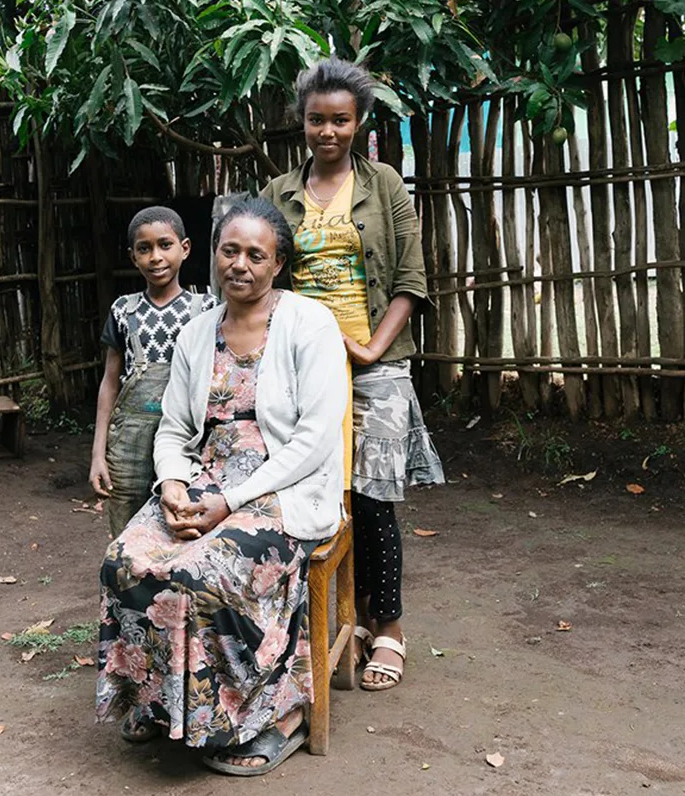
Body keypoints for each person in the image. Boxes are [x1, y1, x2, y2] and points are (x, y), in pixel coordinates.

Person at [97, 198, 347, 777]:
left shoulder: (310, 324)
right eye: (229, 251)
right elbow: (174, 429)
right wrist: (173, 486)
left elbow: (313, 441)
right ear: (213, 256)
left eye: (255, 255)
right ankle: (157, 700)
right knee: (123, 562)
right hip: (205, 483)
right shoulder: (197, 332)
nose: (240, 265)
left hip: (285, 490)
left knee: (202, 573)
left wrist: (228, 504)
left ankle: (271, 714)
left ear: (278, 263)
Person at [262, 57, 445, 693]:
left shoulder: (385, 185)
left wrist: (368, 352)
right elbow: (263, 282)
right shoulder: (277, 194)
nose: (328, 132)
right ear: (301, 122)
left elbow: (412, 282)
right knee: (307, 497)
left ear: (360, 121)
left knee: (371, 499)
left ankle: (387, 626)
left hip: (375, 367)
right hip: (299, 368)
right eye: (317, 120)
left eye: (341, 121)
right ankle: (336, 620)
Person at [90, 206, 217, 538]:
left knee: (183, 521)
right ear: (133, 257)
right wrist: (98, 453)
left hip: (187, 438)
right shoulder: (123, 309)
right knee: (128, 529)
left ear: (185, 248)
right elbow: (109, 383)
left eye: (165, 245)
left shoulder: (207, 308)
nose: (155, 257)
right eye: (144, 249)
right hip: (129, 443)